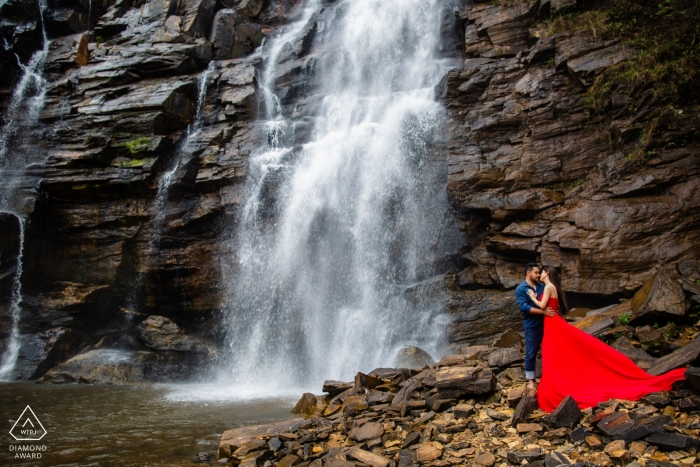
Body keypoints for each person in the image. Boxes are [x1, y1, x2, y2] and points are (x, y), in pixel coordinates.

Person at [529, 266, 687, 411]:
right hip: (553, 323)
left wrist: (532, 297)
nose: (540, 274)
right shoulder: (552, 287)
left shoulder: (549, 287)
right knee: (558, 354)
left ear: (547, 273)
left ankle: (557, 385)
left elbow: (542, 306)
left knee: (555, 355)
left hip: (552, 324)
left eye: (541, 272)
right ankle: (558, 381)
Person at [515, 263, 555, 390]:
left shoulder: (542, 286)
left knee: (548, 351)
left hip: (547, 323)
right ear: (528, 273)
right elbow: (524, 307)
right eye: (536, 272)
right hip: (532, 325)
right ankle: (531, 380)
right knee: (531, 352)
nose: (538, 275)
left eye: (539, 273)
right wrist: (543, 311)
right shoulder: (521, 289)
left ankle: (548, 377)